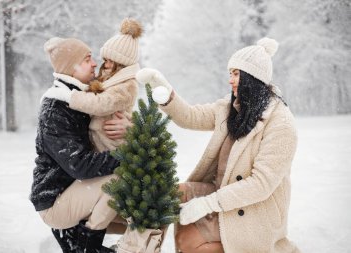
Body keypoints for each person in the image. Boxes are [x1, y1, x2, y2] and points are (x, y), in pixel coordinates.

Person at [136, 38, 300, 253]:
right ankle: (138, 250)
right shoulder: (231, 108)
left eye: (236, 74)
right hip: (219, 191)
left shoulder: (281, 123)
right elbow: (191, 117)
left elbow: (260, 184)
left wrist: (207, 204)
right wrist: (164, 91)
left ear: (253, 78)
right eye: (229, 73)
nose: (230, 80)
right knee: (166, 196)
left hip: (254, 210)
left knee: (188, 240)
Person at [29, 37, 130, 253]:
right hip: (55, 203)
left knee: (147, 211)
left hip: (78, 193)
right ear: (70, 68)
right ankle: (87, 248)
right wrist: (128, 155)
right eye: (87, 59)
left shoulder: (85, 100)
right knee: (118, 177)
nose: (94, 63)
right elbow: (80, 165)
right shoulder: (55, 109)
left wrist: (128, 127)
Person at [47, 18, 142, 153]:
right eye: (105, 60)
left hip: (113, 145)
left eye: (111, 61)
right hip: (102, 147)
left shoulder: (127, 86)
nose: (104, 65)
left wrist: (69, 96)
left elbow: (101, 104)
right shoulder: (110, 79)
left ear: (121, 64)